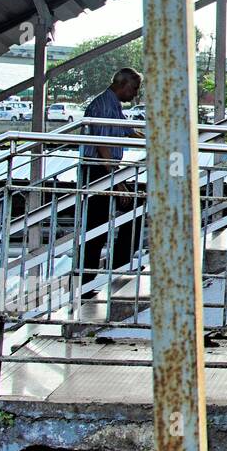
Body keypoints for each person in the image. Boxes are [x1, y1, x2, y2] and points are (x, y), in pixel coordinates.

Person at [79, 67, 143, 289]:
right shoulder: (105, 105)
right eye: (134, 88)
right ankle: (87, 281)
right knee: (96, 227)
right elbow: (103, 147)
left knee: (129, 211)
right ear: (122, 84)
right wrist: (118, 182)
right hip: (99, 171)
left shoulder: (111, 104)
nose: (135, 94)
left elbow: (127, 130)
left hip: (102, 170)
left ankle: (113, 266)